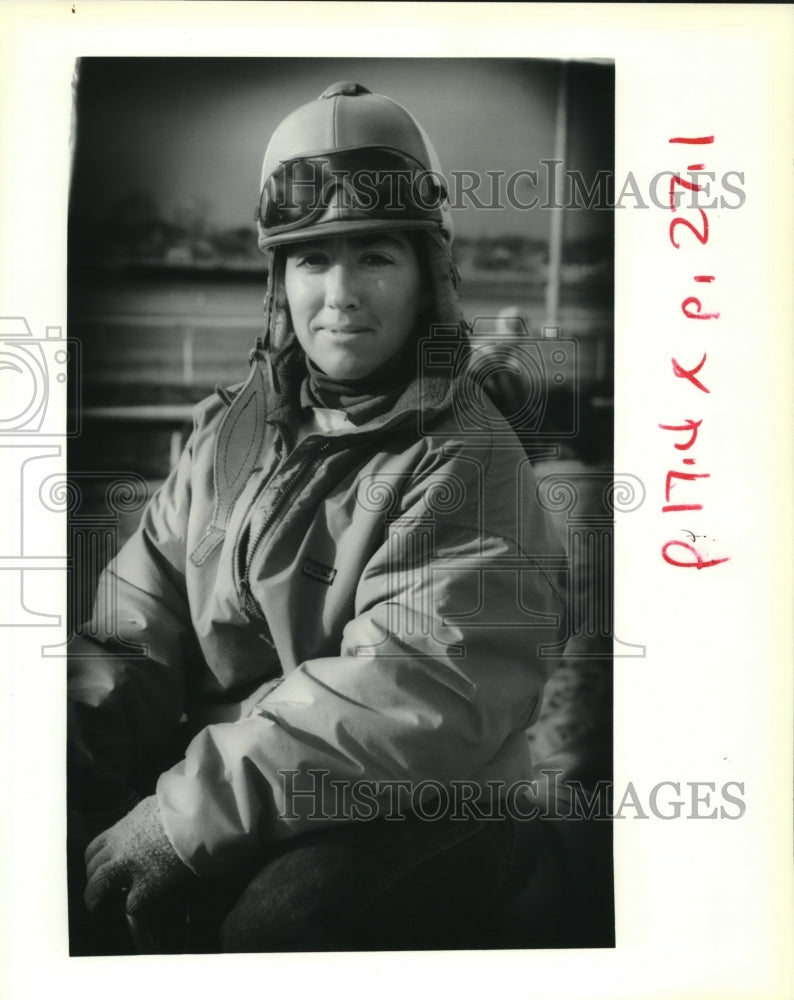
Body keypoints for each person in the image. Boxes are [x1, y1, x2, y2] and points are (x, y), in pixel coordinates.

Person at [67, 81, 568, 954]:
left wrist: (181, 820)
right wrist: (72, 736)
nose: (339, 294)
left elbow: (414, 692)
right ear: (279, 279)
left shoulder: (469, 457)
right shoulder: (227, 432)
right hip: (247, 783)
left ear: (428, 277)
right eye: (311, 259)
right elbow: (135, 627)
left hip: (436, 798)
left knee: (284, 922)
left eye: (374, 257)